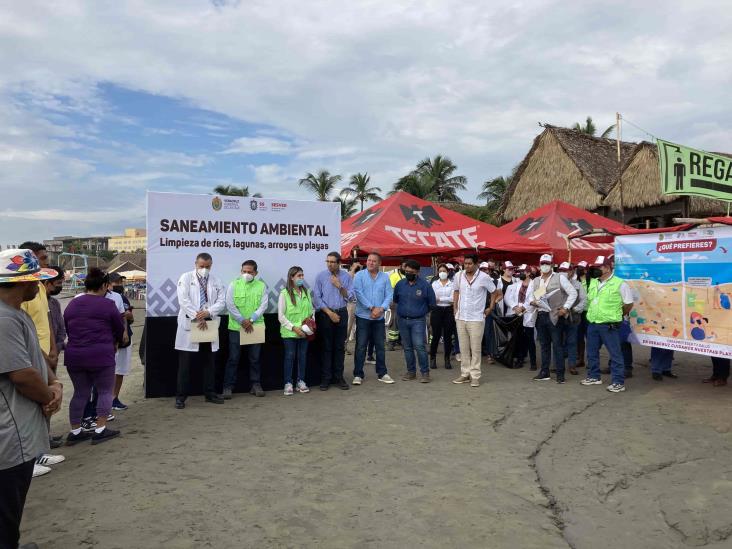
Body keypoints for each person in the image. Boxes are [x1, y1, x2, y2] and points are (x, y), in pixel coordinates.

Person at [0, 250, 63, 549]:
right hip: (10, 435)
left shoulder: (17, 314)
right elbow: (22, 374)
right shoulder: (3, 319)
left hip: (19, 430)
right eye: (34, 280)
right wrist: (47, 396)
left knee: (11, 511)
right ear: (21, 283)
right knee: (5, 514)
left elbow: (35, 357)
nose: (37, 286)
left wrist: (55, 384)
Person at [64, 268, 126, 445]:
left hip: (75, 355)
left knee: (79, 392)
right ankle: (100, 429)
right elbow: (118, 328)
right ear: (105, 286)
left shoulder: (73, 304)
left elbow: (68, 326)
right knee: (105, 391)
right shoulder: (107, 305)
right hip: (101, 354)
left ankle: (75, 431)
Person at [174, 253, 226, 409]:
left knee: (209, 362)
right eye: (201, 266)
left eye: (207, 266)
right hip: (191, 323)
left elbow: (221, 301)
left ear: (212, 265)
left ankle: (210, 394)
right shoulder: (186, 277)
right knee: (185, 364)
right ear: (195, 264)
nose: (204, 269)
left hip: (208, 323)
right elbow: (183, 300)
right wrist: (197, 315)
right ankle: (181, 397)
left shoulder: (216, 280)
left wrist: (208, 312)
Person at [580, 255, 634, 393]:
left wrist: (618, 315)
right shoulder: (593, 282)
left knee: (615, 354)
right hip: (593, 322)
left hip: (609, 325)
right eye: (596, 267)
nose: (597, 269)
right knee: (591, 352)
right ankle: (594, 376)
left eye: (600, 267)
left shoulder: (620, 283)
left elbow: (628, 304)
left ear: (608, 268)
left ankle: (618, 382)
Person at [452, 254, 501, 388]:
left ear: (476, 264)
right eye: (465, 263)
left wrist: (491, 307)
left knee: (476, 348)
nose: (466, 266)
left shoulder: (484, 277)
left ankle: (475, 376)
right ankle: (465, 373)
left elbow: (495, 292)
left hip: (476, 318)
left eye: (469, 263)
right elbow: (456, 291)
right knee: (463, 348)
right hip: (461, 317)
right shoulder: (458, 276)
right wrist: (455, 307)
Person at [529, 254, 578, 384]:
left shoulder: (560, 278)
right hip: (541, 315)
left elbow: (573, 293)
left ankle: (560, 374)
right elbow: (533, 296)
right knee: (544, 345)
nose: (544, 266)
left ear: (552, 265)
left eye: (547, 263)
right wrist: (533, 302)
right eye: (542, 263)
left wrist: (565, 308)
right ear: (539, 265)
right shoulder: (536, 281)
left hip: (555, 316)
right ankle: (544, 372)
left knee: (557, 345)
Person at [224, 260, 268, 398]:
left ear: (256, 273)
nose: (246, 274)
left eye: (250, 272)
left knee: (255, 358)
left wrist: (251, 320)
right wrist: (242, 320)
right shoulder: (233, 284)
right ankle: (228, 387)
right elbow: (230, 305)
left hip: (255, 326)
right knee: (233, 358)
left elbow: (263, 305)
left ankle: (255, 385)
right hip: (237, 327)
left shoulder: (261, 286)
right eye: (244, 271)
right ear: (241, 271)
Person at [352, 252, 395, 385]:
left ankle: (382, 373)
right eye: (369, 260)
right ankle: (358, 374)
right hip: (363, 316)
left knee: (380, 346)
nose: (370, 263)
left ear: (379, 263)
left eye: (374, 261)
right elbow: (358, 293)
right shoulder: (359, 275)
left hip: (379, 317)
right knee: (361, 346)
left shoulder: (385, 277)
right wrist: (371, 308)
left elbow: (389, 294)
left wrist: (381, 309)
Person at [313, 252, 353, 390]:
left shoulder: (346, 277)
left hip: (342, 312)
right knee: (327, 347)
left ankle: (339, 377)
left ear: (339, 263)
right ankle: (326, 378)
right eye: (328, 261)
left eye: (332, 262)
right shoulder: (321, 276)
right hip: (326, 314)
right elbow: (317, 298)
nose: (329, 264)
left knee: (339, 347)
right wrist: (329, 313)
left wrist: (339, 286)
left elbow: (351, 297)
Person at [393, 259, 436, 382]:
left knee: (419, 347)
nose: (408, 273)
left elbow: (432, 304)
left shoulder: (425, 286)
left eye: (411, 272)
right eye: (406, 271)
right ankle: (411, 372)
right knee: (407, 347)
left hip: (418, 320)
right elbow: (395, 300)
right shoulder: (400, 284)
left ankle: (425, 373)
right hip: (402, 320)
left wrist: (421, 311)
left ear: (417, 272)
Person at [277, 266, 314, 395]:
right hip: (290, 332)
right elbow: (281, 316)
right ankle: (288, 383)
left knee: (302, 357)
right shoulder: (284, 293)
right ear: (291, 277)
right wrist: (294, 328)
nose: (301, 278)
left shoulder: (306, 292)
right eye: (299, 276)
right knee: (290, 356)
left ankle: (301, 381)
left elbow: (311, 311)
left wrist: (310, 323)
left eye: (302, 275)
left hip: (305, 332)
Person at [108, 273, 134, 410]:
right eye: (116, 282)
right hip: (109, 340)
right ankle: (105, 399)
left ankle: (114, 398)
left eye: (120, 282)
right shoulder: (104, 297)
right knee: (108, 370)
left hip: (125, 338)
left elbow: (130, 317)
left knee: (121, 370)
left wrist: (127, 315)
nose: (119, 284)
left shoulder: (122, 298)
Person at [557, 262, 587, 376]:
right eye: (561, 271)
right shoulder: (555, 284)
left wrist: (575, 309)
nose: (564, 273)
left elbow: (584, 300)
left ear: (571, 272)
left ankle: (572, 365)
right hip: (558, 316)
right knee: (557, 341)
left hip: (573, 317)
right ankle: (557, 365)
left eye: (566, 271)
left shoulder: (578, 285)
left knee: (572, 341)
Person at [504, 269, 537, 369]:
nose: (521, 273)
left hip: (529, 313)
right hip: (517, 313)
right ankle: (520, 359)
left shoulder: (535, 284)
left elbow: (536, 297)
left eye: (523, 271)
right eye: (520, 271)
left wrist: (523, 307)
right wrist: (514, 307)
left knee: (530, 338)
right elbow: (507, 298)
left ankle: (533, 362)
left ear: (528, 273)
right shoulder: (515, 284)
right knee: (518, 337)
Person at [430, 263, 456, 370]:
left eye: (444, 271)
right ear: (438, 272)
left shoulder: (453, 284)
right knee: (435, 336)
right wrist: (445, 299)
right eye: (440, 271)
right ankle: (432, 358)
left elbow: (453, 299)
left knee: (447, 337)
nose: (442, 273)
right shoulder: (434, 284)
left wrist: (441, 299)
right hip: (437, 311)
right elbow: (433, 297)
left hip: (448, 311)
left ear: (448, 272)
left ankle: (447, 359)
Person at [387, 260, 407, 351]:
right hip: (396, 303)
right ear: (400, 266)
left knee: (404, 322)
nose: (405, 268)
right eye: (404, 266)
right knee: (394, 322)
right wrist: (391, 302)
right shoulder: (394, 276)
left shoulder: (410, 276)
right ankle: (391, 343)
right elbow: (390, 290)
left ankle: (403, 341)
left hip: (407, 303)